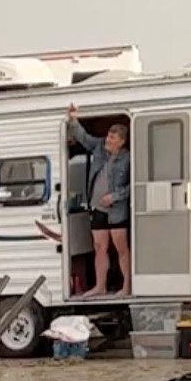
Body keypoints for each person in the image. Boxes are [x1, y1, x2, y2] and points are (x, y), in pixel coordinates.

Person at [66, 108, 131, 296]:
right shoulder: (99, 147)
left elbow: (132, 186)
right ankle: (100, 286)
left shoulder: (127, 158)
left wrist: (115, 196)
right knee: (99, 247)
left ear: (122, 141)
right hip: (97, 207)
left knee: (121, 249)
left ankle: (126, 287)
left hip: (117, 210)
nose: (108, 140)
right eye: (108, 136)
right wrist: (73, 120)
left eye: (112, 138)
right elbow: (83, 137)